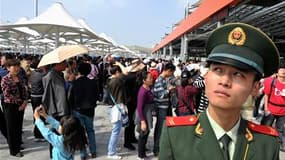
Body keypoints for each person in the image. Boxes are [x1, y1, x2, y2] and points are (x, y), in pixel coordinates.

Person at [159, 23, 280, 160]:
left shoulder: (267, 144)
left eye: (238, 74)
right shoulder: (176, 136)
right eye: (217, 70)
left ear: (255, 88)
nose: (224, 81)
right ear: (207, 76)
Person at [69, 62, 99, 159]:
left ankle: (83, 154)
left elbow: (70, 98)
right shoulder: (93, 82)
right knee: (90, 131)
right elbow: (97, 96)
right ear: (89, 71)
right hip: (90, 111)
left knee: (80, 133)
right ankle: (93, 151)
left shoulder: (74, 83)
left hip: (78, 111)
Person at [42, 61, 70, 158]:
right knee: (55, 133)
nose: (66, 65)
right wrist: (52, 111)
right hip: (56, 110)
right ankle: (53, 155)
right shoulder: (50, 76)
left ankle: (63, 152)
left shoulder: (60, 74)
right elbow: (47, 95)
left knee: (63, 132)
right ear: (57, 64)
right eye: (64, 63)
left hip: (63, 107)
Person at [1, 59, 29, 157]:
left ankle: (17, 145)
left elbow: (25, 91)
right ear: (8, 68)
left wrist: (25, 101)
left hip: (21, 105)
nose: (17, 68)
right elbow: (7, 95)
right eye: (14, 66)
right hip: (11, 106)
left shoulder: (20, 78)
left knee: (18, 127)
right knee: (11, 128)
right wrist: (20, 103)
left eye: (18, 66)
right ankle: (14, 150)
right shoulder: (5, 79)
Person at [152, 62, 176, 156]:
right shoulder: (159, 80)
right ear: (168, 71)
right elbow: (159, 94)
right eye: (171, 72)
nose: (172, 75)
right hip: (161, 108)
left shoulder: (164, 79)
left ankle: (160, 147)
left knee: (163, 128)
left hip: (165, 107)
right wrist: (168, 90)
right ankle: (156, 149)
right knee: (159, 129)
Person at [262, 57, 285, 151]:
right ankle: (262, 142)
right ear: (277, 71)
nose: (283, 70)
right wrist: (266, 108)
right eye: (281, 68)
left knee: (280, 129)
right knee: (266, 127)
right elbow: (266, 95)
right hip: (271, 108)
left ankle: (279, 144)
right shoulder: (270, 81)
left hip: (283, 111)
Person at [106, 65, 127, 159]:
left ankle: (112, 148)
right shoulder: (118, 81)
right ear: (117, 72)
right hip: (118, 107)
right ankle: (111, 152)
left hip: (113, 107)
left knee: (115, 129)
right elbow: (125, 74)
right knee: (116, 130)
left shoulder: (109, 80)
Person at [136, 71, 154, 160]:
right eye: (150, 78)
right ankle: (141, 155)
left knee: (146, 133)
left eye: (151, 77)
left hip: (147, 113)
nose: (152, 79)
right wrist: (143, 121)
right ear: (144, 80)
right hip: (143, 114)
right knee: (143, 134)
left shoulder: (148, 88)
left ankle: (143, 150)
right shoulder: (142, 91)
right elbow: (139, 107)